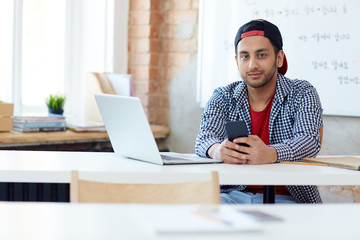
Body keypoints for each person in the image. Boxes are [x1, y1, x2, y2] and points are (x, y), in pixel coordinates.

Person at [195, 19, 323, 204]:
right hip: (231, 195)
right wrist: (216, 150)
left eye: (261, 55)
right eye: (244, 56)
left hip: (288, 199)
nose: (252, 65)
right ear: (236, 60)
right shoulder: (223, 95)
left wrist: (271, 153)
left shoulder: (302, 92)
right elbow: (204, 137)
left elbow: (309, 141)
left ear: (279, 58)